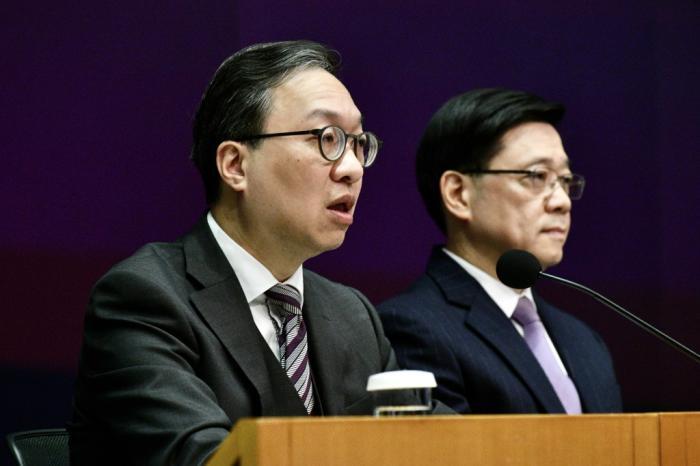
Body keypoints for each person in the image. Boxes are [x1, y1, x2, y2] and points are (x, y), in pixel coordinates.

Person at [69, 40, 405, 465]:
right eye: (327, 138)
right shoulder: (143, 300)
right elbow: (206, 458)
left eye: (357, 143)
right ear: (234, 165)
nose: (352, 168)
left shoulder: (353, 315)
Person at [378, 88, 622, 415]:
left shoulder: (584, 341)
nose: (562, 201)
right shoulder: (412, 329)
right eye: (536, 176)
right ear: (458, 194)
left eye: (565, 180)